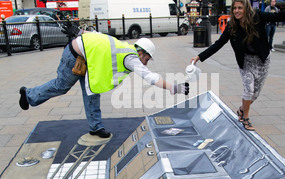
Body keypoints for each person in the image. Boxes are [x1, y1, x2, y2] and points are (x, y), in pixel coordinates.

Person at [19, 25, 189, 138]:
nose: (145, 63)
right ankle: (29, 95)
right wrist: (175, 87)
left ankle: (96, 127)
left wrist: (80, 32)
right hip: (74, 56)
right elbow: (150, 77)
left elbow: (98, 36)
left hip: (86, 59)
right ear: (142, 53)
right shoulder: (131, 57)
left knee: (92, 91)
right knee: (61, 86)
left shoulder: (124, 46)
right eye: (147, 59)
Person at [191, 0, 285, 131]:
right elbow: (218, 44)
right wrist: (199, 57)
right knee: (249, 89)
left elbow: (279, 17)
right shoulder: (232, 26)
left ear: (246, 8)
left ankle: (241, 110)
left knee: (255, 94)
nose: (237, 11)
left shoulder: (257, 17)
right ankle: (245, 117)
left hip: (262, 60)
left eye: (240, 8)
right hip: (246, 61)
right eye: (234, 8)